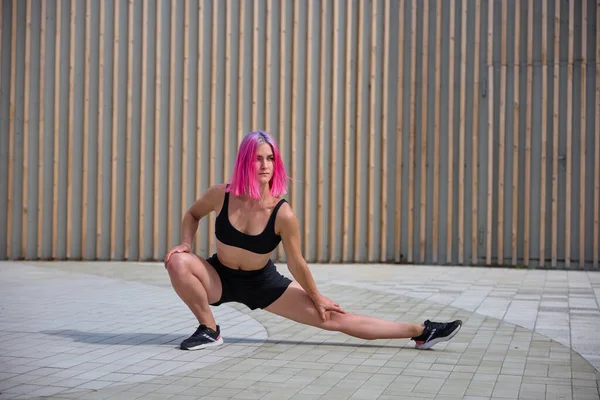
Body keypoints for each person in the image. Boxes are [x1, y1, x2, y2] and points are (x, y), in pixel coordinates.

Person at [164, 131, 462, 351]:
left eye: (270, 158)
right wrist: (186, 244)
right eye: (257, 158)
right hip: (219, 277)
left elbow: (296, 261)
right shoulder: (222, 194)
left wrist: (316, 296)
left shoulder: (283, 214)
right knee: (177, 261)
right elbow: (192, 214)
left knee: (332, 318)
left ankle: (422, 331)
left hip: (262, 284)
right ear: (245, 161)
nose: (265, 165)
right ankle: (209, 329)